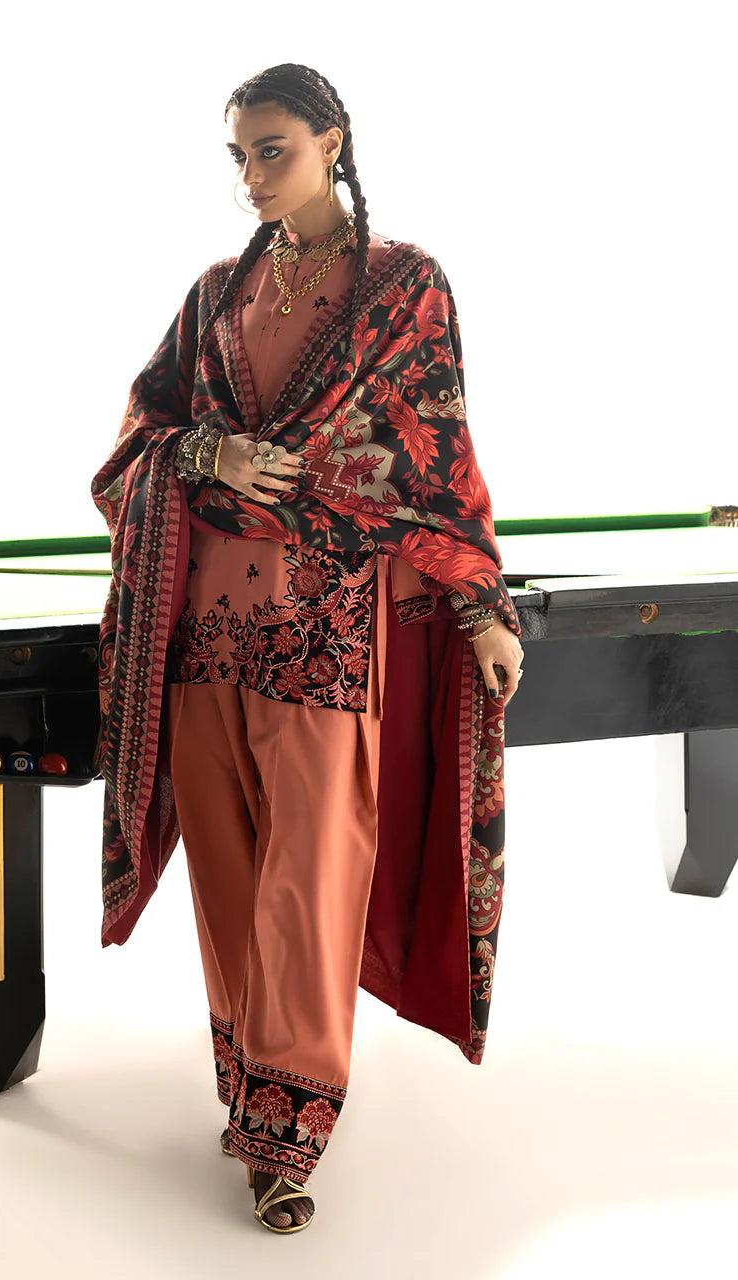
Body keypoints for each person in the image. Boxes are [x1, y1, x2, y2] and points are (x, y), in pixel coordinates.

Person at [90, 62, 525, 1234]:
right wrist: (209, 455)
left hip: (327, 634)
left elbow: (434, 465)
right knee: (231, 884)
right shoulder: (213, 296)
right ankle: (248, 1093)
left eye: (271, 149)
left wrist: (480, 607)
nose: (250, 176)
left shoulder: (405, 288)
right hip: (203, 637)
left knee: (312, 884)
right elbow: (134, 442)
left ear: (335, 140)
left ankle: (288, 1136)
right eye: (237, 156)